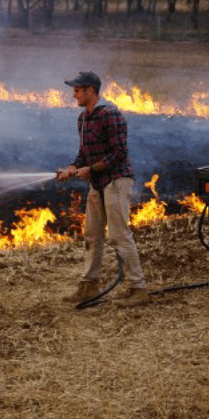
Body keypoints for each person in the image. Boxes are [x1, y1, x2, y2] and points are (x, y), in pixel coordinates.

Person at [57, 71, 151, 307]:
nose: (74, 95)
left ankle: (138, 289)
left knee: (119, 236)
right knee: (92, 236)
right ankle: (89, 285)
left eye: (77, 90)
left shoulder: (110, 115)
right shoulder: (83, 118)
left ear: (90, 90)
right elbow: (83, 154)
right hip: (97, 183)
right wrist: (71, 167)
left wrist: (90, 169)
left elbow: (119, 155)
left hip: (116, 181)